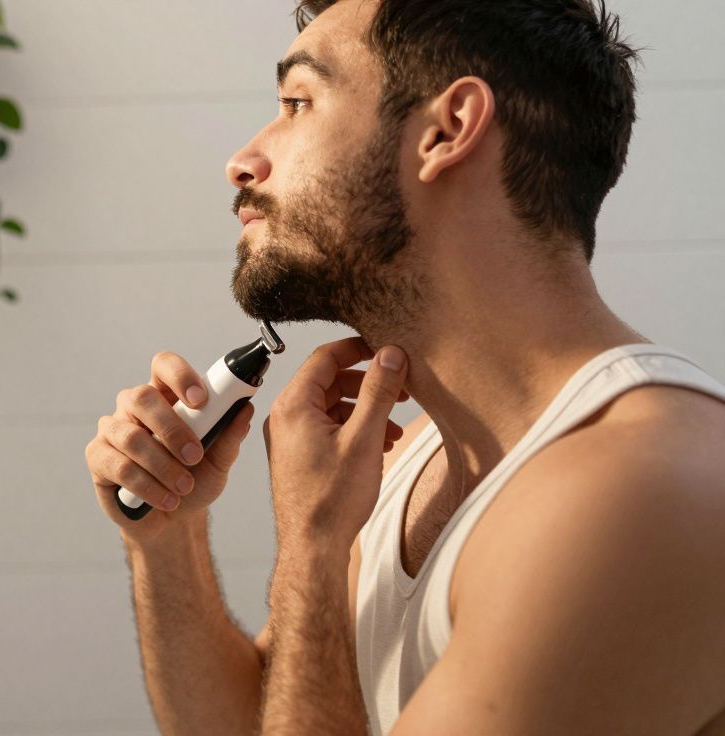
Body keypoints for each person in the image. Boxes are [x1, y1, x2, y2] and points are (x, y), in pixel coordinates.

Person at [82, 0, 725, 733]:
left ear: (447, 132)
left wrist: (312, 555)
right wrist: (167, 537)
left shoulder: (639, 487)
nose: (244, 160)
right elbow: (265, 715)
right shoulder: (412, 459)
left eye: (299, 103)